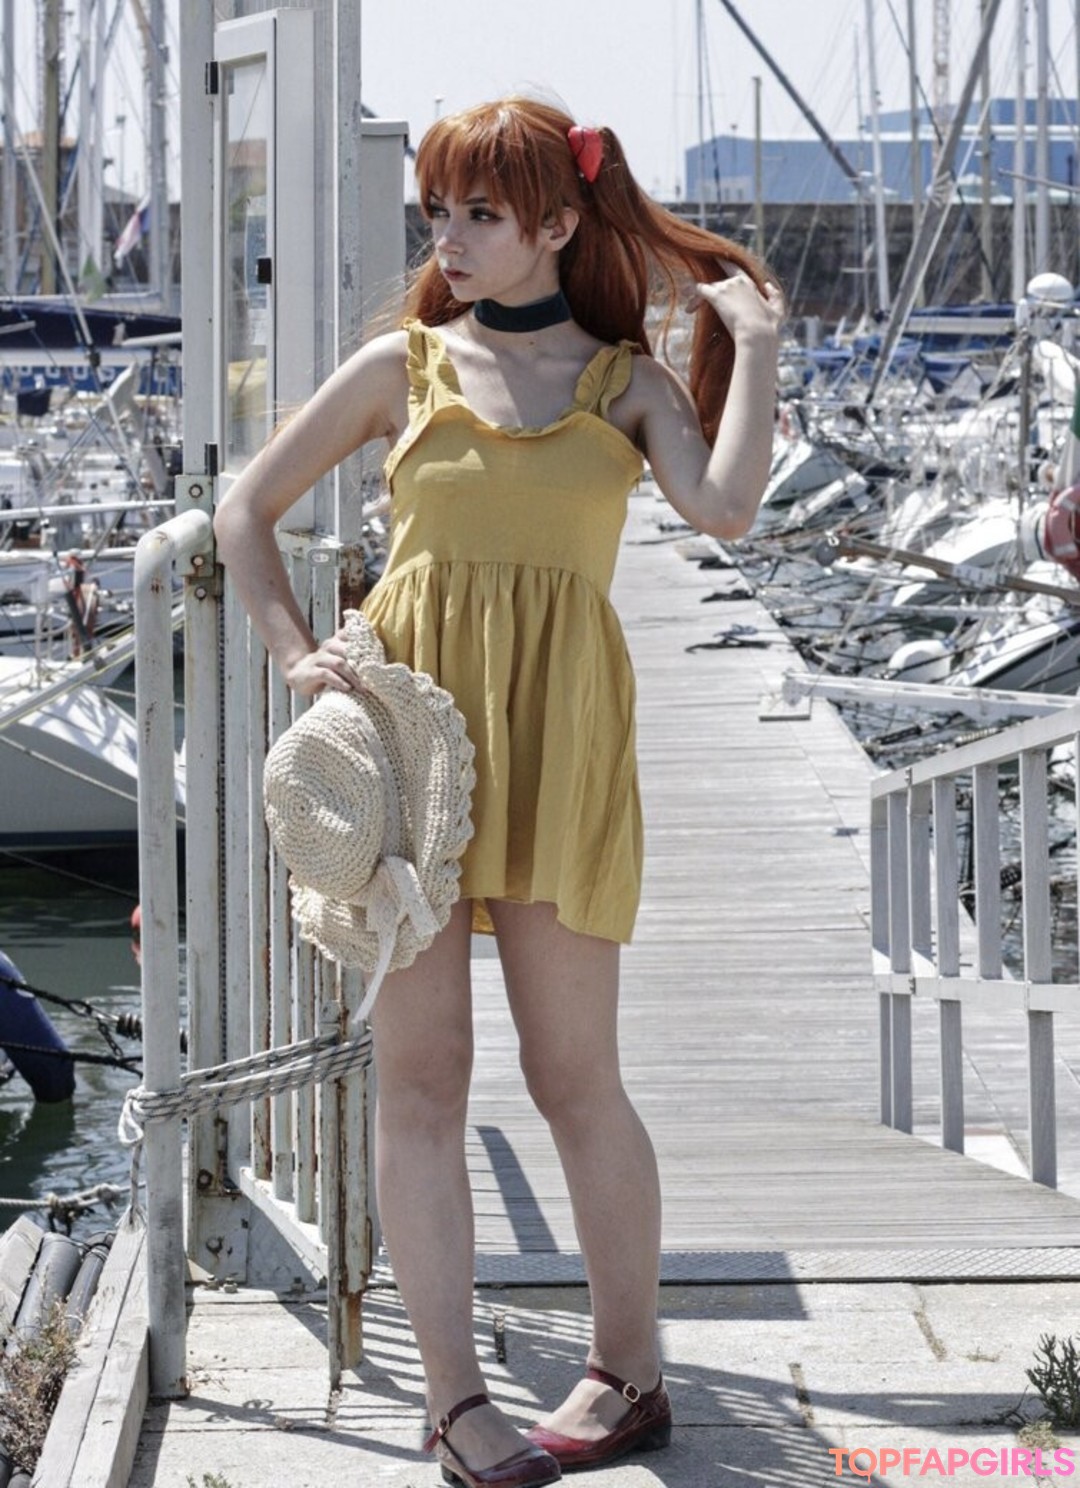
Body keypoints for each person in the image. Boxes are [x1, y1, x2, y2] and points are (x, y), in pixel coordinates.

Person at [214, 95, 783, 1488]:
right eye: (439, 213)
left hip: (563, 750)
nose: (449, 239)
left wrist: (757, 350)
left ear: (559, 225)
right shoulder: (401, 368)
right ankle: (455, 1404)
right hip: (412, 757)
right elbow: (243, 510)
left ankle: (629, 1375)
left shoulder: (624, 384)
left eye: (480, 213)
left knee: (575, 1077)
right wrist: (297, 657)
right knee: (422, 1080)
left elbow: (725, 508)